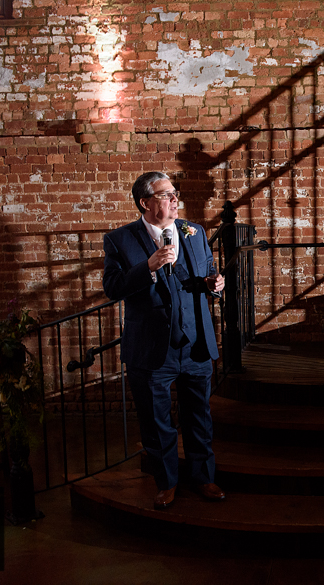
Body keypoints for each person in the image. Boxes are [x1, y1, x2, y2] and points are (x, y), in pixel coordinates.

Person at [103, 171, 226, 509]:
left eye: (175, 193)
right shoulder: (120, 240)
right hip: (153, 350)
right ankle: (167, 482)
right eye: (167, 194)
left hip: (196, 343)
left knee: (199, 415)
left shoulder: (194, 231)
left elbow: (208, 268)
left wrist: (215, 283)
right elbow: (113, 288)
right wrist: (148, 266)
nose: (175, 199)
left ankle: (204, 477)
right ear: (145, 202)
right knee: (157, 422)